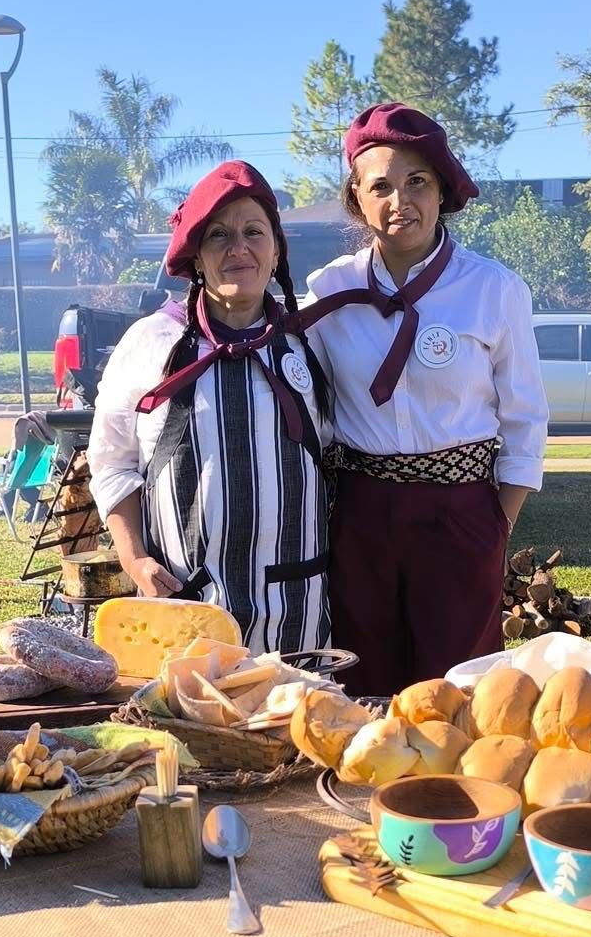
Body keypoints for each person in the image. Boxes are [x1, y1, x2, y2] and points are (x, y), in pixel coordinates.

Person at [302, 103, 548, 696]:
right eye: (380, 185)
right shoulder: (327, 291)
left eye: (417, 181)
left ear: (442, 191)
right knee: (365, 675)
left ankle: (459, 791)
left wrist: (495, 525)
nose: (399, 201)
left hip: (461, 510)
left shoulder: (493, 289)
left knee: (458, 683)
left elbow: (525, 417)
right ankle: (370, 789)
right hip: (362, 511)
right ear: (356, 197)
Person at [88, 161, 331, 654]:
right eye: (218, 236)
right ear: (196, 256)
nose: (238, 248)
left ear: (277, 250)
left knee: (291, 726)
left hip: (297, 610)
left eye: (253, 232)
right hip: (183, 613)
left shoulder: (312, 344)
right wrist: (136, 561)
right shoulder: (151, 342)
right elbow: (111, 463)